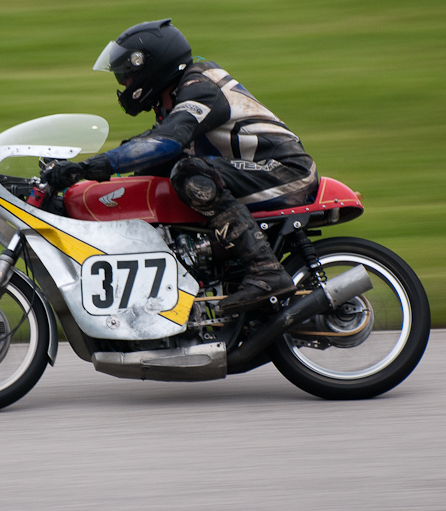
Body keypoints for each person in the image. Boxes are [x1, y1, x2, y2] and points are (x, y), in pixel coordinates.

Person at [42, 19, 318, 315]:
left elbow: (166, 143)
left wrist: (90, 166)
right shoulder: (174, 102)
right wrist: (77, 191)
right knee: (150, 180)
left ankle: (266, 271)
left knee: (189, 173)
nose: (124, 84)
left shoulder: (201, 86)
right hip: (249, 174)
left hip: (282, 171)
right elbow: (148, 152)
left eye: (127, 75)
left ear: (152, 67)